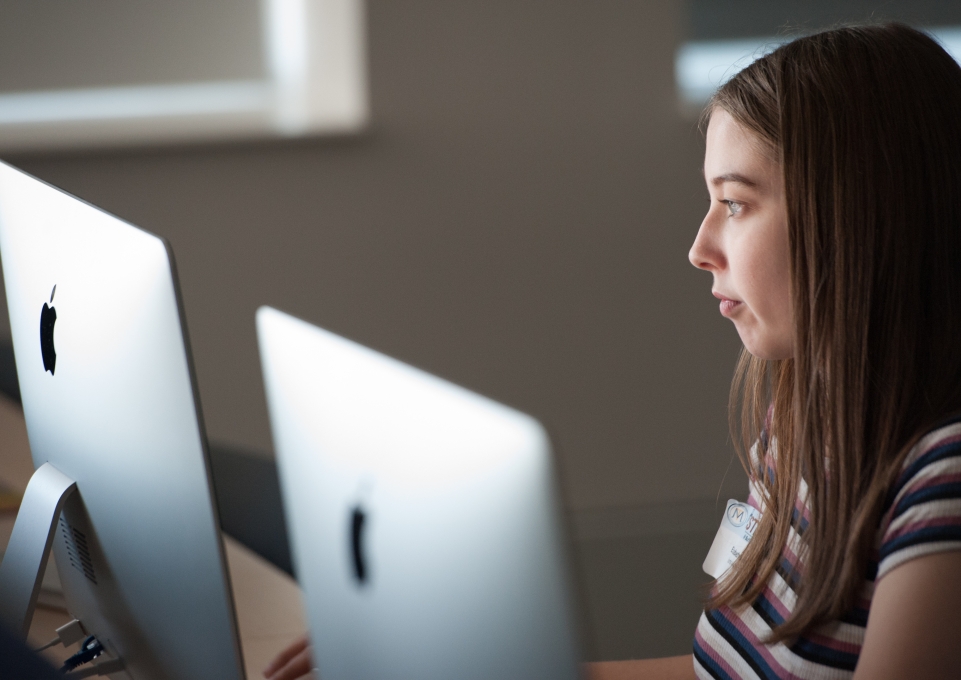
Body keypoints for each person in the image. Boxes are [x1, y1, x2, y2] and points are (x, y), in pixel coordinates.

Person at [264, 23, 961, 680]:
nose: (698, 248)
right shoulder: (806, 417)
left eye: (736, 203)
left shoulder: (940, 485)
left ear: (855, 220)